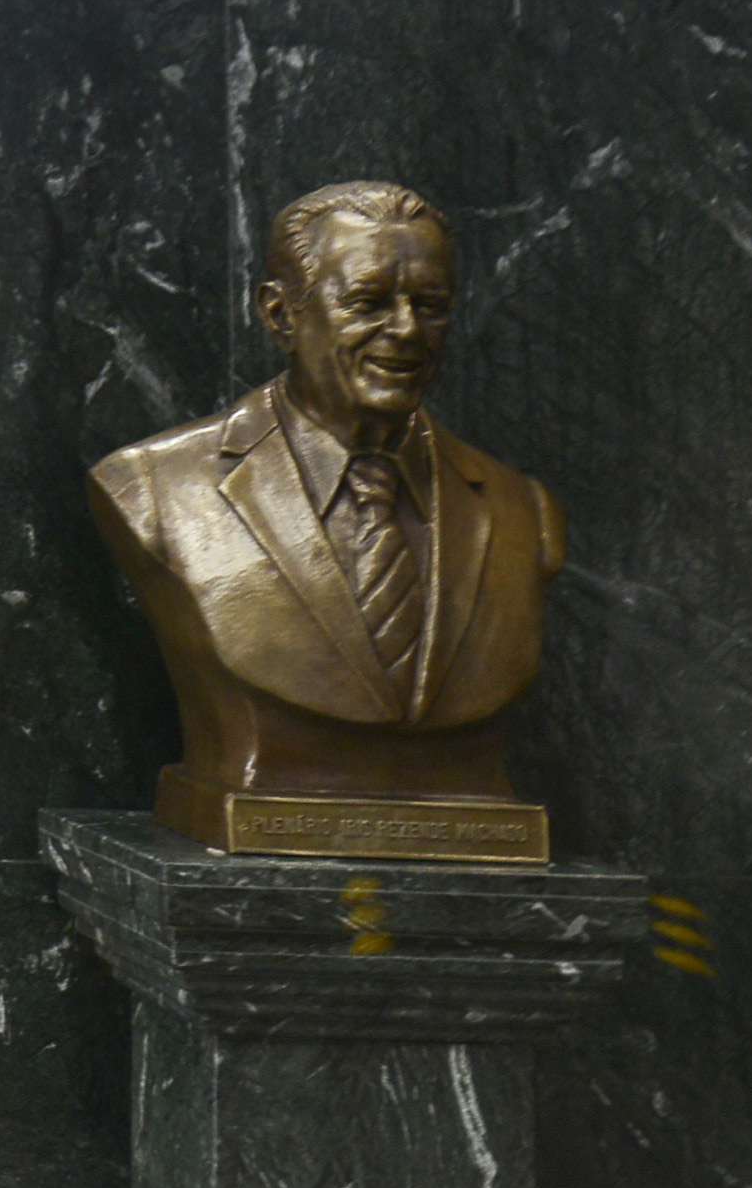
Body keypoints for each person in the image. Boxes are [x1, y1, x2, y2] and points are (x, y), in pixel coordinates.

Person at [88, 182, 563, 829]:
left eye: (430, 306)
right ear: (281, 315)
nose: (406, 331)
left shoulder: (521, 511)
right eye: (367, 302)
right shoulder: (152, 490)